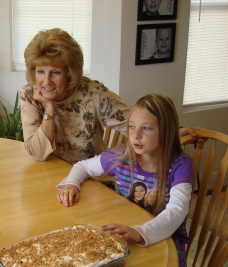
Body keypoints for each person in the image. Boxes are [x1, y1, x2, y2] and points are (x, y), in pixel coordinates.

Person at [57, 93, 193, 267]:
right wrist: (72, 184)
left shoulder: (179, 165)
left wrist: (142, 232)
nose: (135, 135)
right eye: (131, 127)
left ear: (166, 131)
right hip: (124, 232)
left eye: (146, 128)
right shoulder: (121, 157)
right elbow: (82, 167)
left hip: (164, 236)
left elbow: (177, 212)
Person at [20, 28, 202, 165]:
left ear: (69, 72)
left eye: (55, 73)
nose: (47, 82)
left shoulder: (94, 93)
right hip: (47, 175)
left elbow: (133, 125)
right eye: (41, 72)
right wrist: (50, 108)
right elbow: (37, 153)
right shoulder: (30, 95)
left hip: (92, 178)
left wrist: (178, 132)